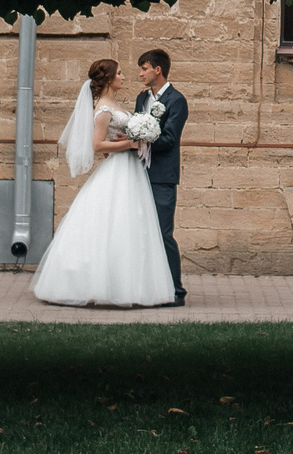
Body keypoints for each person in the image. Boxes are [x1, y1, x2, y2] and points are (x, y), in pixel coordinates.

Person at [28, 58, 176, 308]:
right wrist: (130, 143)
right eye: (119, 73)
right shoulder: (104, 108)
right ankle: (97, 285)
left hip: (130, 169)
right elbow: (97, 145)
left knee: (130, 226)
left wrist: (135, 138)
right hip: (118, 169)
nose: (124, 77)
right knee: (113, 224)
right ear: (108, 79)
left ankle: (128, 285)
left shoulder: (114, 104)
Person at [133, 50, 188, 306]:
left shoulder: (177, 101)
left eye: (144, 68)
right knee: (141, 234)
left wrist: (140, 139)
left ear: (158, 70)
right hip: (138, 173)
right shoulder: (141, 98)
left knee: (163, 234)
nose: (140, 74)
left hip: (162, 176)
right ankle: (149, 288)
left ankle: (176, 292)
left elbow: (169, 139)